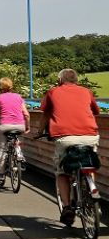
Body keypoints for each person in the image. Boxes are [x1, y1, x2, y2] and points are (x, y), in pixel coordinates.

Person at [42, 68, 101, 224]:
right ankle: (91, 188)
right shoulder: (86, 91)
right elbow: (96, 111)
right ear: (77, 80)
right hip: (90, 136)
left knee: (62, 172)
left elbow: (46, 114)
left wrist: (39, 131)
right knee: (88, 163)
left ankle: (67, 207)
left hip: (65, 137)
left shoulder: (53, 92)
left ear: (60, 80)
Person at [0, 77, 30, 176]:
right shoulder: (19, 97)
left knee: (2, 149)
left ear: (0, 87)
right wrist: (27, 127)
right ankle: (19, 153)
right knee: (17, 139)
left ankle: (1, 173)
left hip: (5, 126)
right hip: (20, 126)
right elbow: (27, 114)